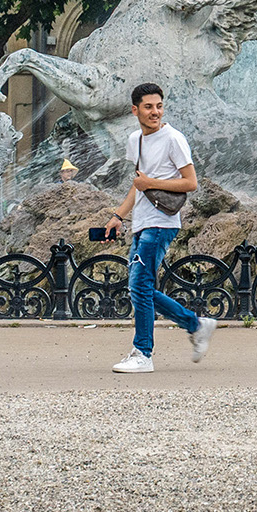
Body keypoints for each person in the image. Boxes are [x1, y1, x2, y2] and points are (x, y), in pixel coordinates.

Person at [106, 83, 214, 374]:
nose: (155, 112)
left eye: (159, 106)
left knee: (139, 286)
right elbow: (138, 184)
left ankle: (143, 353)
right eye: (148, 107)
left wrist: (151, 183)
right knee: (139, 287)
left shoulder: (173, 138)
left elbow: (190, 182)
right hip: (141, 222)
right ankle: (196, 324)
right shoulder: (135, 140)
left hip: (162, 222)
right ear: (135, 110)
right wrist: (119, 215)